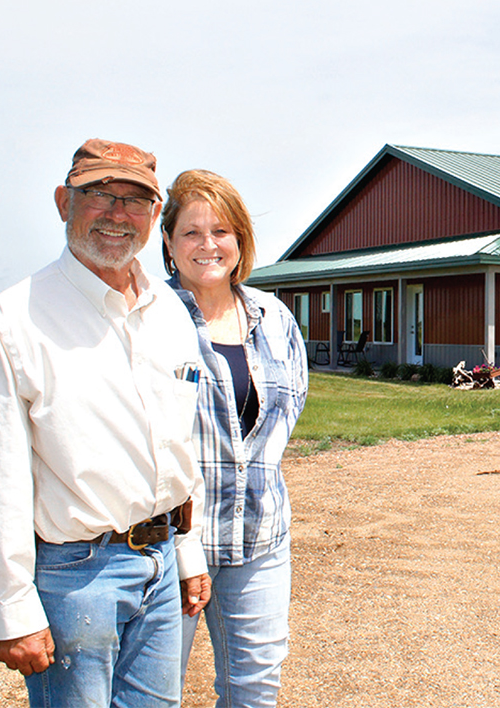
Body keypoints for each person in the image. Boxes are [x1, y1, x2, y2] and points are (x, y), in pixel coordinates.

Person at [0, 139, 212, 706]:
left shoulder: (170, 312)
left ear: (154, 216)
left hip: (163, 557)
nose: (117, 214)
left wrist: (188, 552)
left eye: (135, 201)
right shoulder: (15, 321)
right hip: (75, 576)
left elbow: (180, 445)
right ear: (63, 202)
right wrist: (10, 609)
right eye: (100, 195)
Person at [161, 169, 308, 706]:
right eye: (191, 233)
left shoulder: (274, 317)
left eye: (221, 231)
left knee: (255, 688)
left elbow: (288, 408)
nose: (207, 245)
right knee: (155, 692)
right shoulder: (149, 318)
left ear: (240, 241)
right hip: (171, 548)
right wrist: (181, 543)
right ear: (169, 243)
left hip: (259, 539)